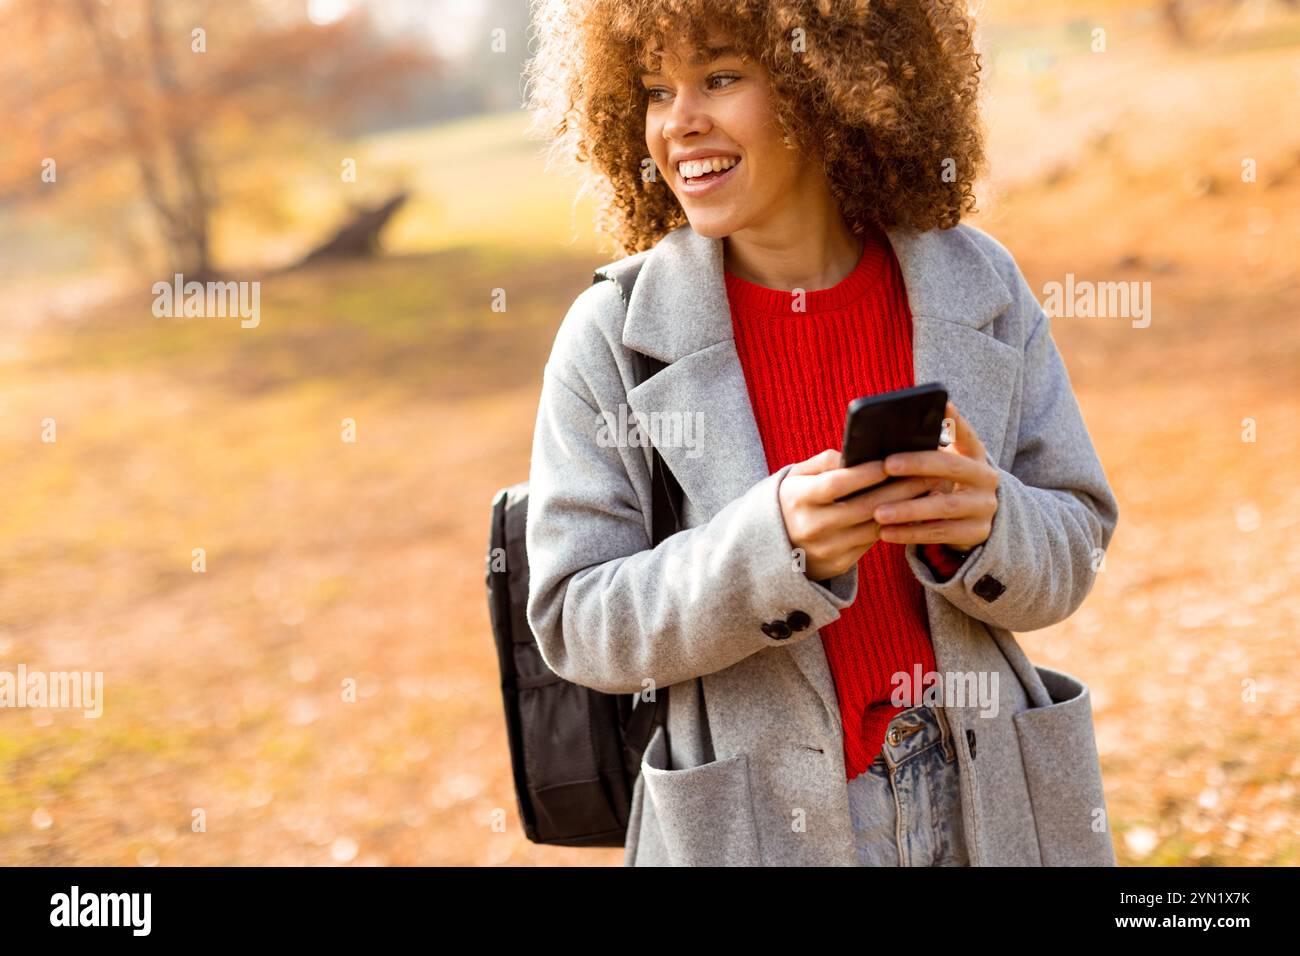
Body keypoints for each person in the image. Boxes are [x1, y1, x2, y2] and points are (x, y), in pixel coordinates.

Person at [521, 0, 1119, 866]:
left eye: (721, 78)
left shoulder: (976, 280)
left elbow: (1078, 542)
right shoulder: (610, 336)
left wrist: (992, 528)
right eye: (655, 90)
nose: (679, 121)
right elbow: (576, 619)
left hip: (993, 804)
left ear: (826, 84)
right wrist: (772, 550)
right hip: (765, 826)